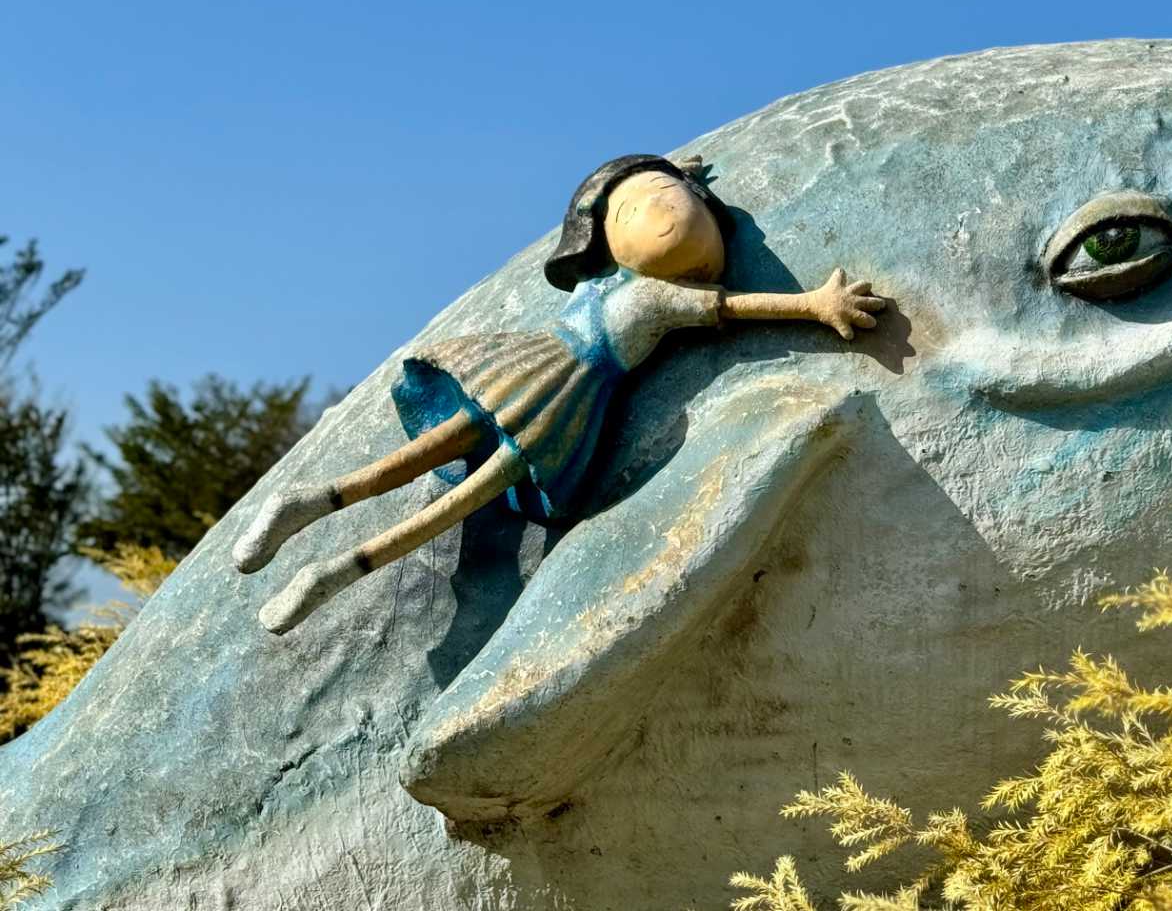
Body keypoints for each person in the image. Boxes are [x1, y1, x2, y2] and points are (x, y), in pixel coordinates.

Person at [235, 154, 886, 634]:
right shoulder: (626, 284)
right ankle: (313, 524)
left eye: (663, 196)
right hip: (548, 374)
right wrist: (812, 303)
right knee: (449, 466)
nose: (657, 210)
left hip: (564, 383)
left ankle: (325, 564)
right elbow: (737, 306)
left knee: (465, 484)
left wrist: (807, 300)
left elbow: (726, 303)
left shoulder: (652, 293)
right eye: (633, 206)